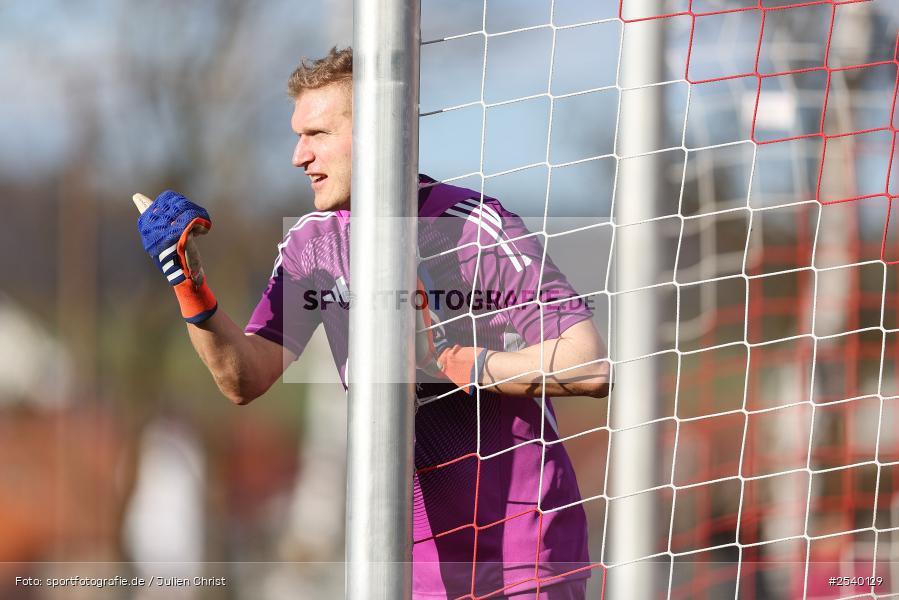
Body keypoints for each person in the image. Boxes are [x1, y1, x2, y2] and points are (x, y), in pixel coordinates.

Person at [137, 46, 610, 599]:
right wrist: (191, 288)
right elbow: (244, 377)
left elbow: (589, 364)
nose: (297, 155)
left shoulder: (475, 228)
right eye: (298, 135)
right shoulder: (311, 248)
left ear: (378, 132)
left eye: (316, 134)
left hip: (525, 562)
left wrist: (460, 364)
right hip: (401, 572)